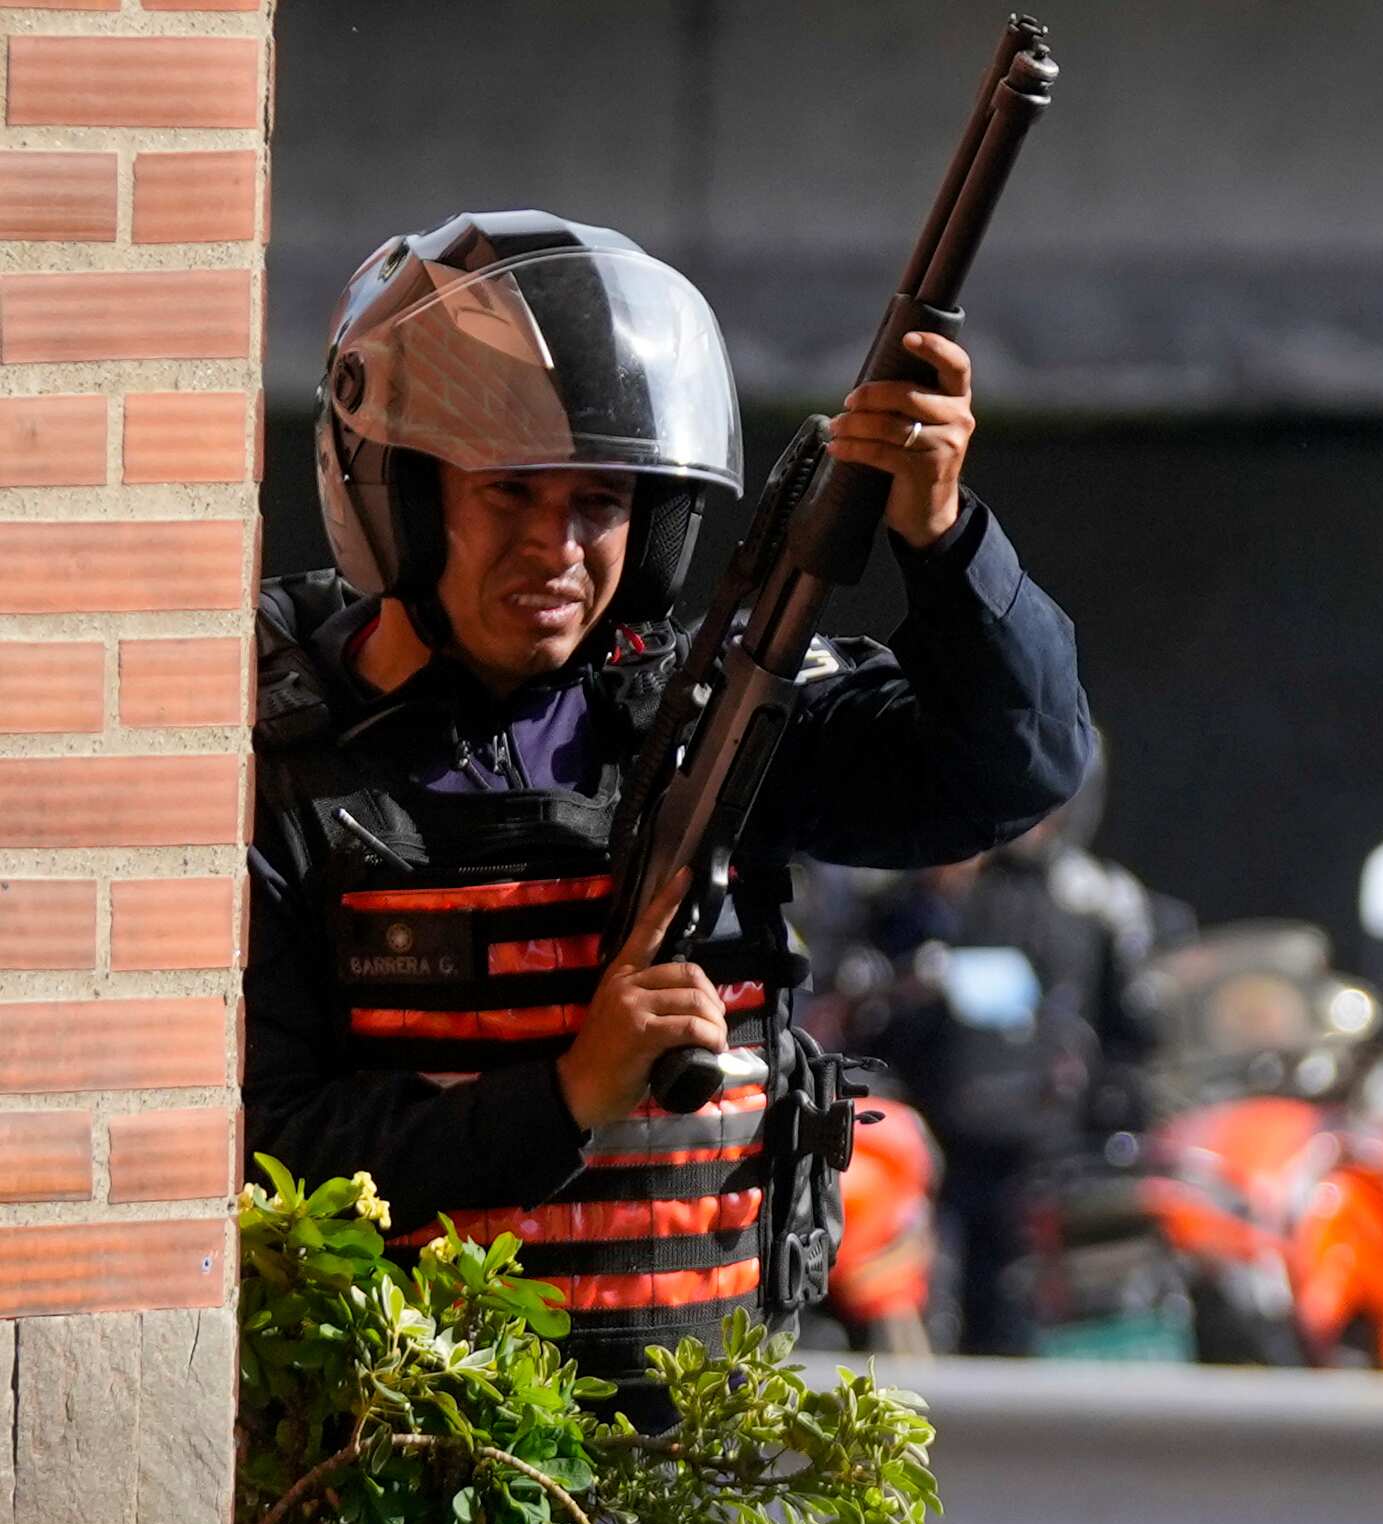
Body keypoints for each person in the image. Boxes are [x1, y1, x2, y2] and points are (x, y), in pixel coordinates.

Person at [246, 211, 1092, 1389]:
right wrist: (561, 1099)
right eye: (511, 494)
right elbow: (266, 1153)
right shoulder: (275, 765)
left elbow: (1014, 768)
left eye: (598, 502)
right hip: (393, 1474)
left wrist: (941, 536)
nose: (559, 548)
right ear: (406, 493)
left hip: (704, 1468)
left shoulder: (717, 723)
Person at [850, 806, 1153, 1354]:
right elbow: (873, 1002)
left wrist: (1110, 1099)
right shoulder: (924, 897)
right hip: (941, 1135)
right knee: (929, 1295)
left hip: (1044, 1142)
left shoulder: (1093, 901)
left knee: (1024, 1304)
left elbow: (1126, 1028)